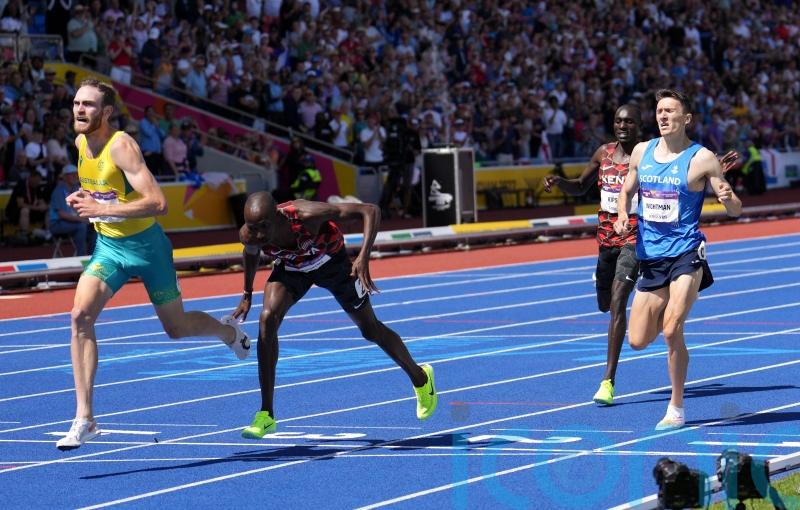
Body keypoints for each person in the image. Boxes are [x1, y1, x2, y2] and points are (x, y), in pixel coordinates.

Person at [56, 78, 251, 451]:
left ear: (107, 112)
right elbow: (105, 192)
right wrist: (87, 198)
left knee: (175, 329)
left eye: (89, 105)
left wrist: (103, 208)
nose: (80, 110)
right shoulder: (81, 142)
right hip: (109, 247)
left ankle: (228, 332)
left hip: (148, 248)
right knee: (80, 316)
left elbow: (158, 202)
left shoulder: (122, 147)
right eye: (77, 103)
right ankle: (85, 419)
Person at [230, 192, 437, 438]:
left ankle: (421, 378)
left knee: (370, 329)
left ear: (276, 215)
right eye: (253, 228)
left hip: (333, 265)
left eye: (264, 227)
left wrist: (363, 257)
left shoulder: (307, 215)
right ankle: (266, 415)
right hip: (294, 269)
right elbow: (251, 251)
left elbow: (370, 210)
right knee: (267, 319)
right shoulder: (250, 233)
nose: (259, 234)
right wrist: (247, 293)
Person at [613, 89, 742, 430]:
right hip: (651, 258)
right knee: (638, 340)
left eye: (670, 110)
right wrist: (622, 214)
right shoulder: (642, 151)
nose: (663, 116)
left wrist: (729, 199)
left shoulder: (702, 159)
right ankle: (669, 309)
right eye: (659, 111)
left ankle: (676, 406)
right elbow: (627, 188)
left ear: (686, 119)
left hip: (686, 254)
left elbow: (734, 209)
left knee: (671, 329)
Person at [543, 104, 643, 406]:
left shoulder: (648, 156)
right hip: (606, 237)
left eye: (629, 121)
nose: (623, 125)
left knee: (617, 302)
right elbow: (580, 185)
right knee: (604, 303)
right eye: (618, 121)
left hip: (635, 234)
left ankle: (608, 381)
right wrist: (560, 183)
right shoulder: (604, 153)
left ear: (639, 126)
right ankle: (604, 281)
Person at [48, 164, 93, 256]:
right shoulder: (59, 191)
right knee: (81, 226)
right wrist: (81, 219)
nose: (75, 176)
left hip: (73, 221)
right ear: (64, 177)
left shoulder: (77, 189)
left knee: (95, 226)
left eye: (76, 174)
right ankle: (82, 256)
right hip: (57, 223)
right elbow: (62, 214)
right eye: (71, 174)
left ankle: (94, 256)